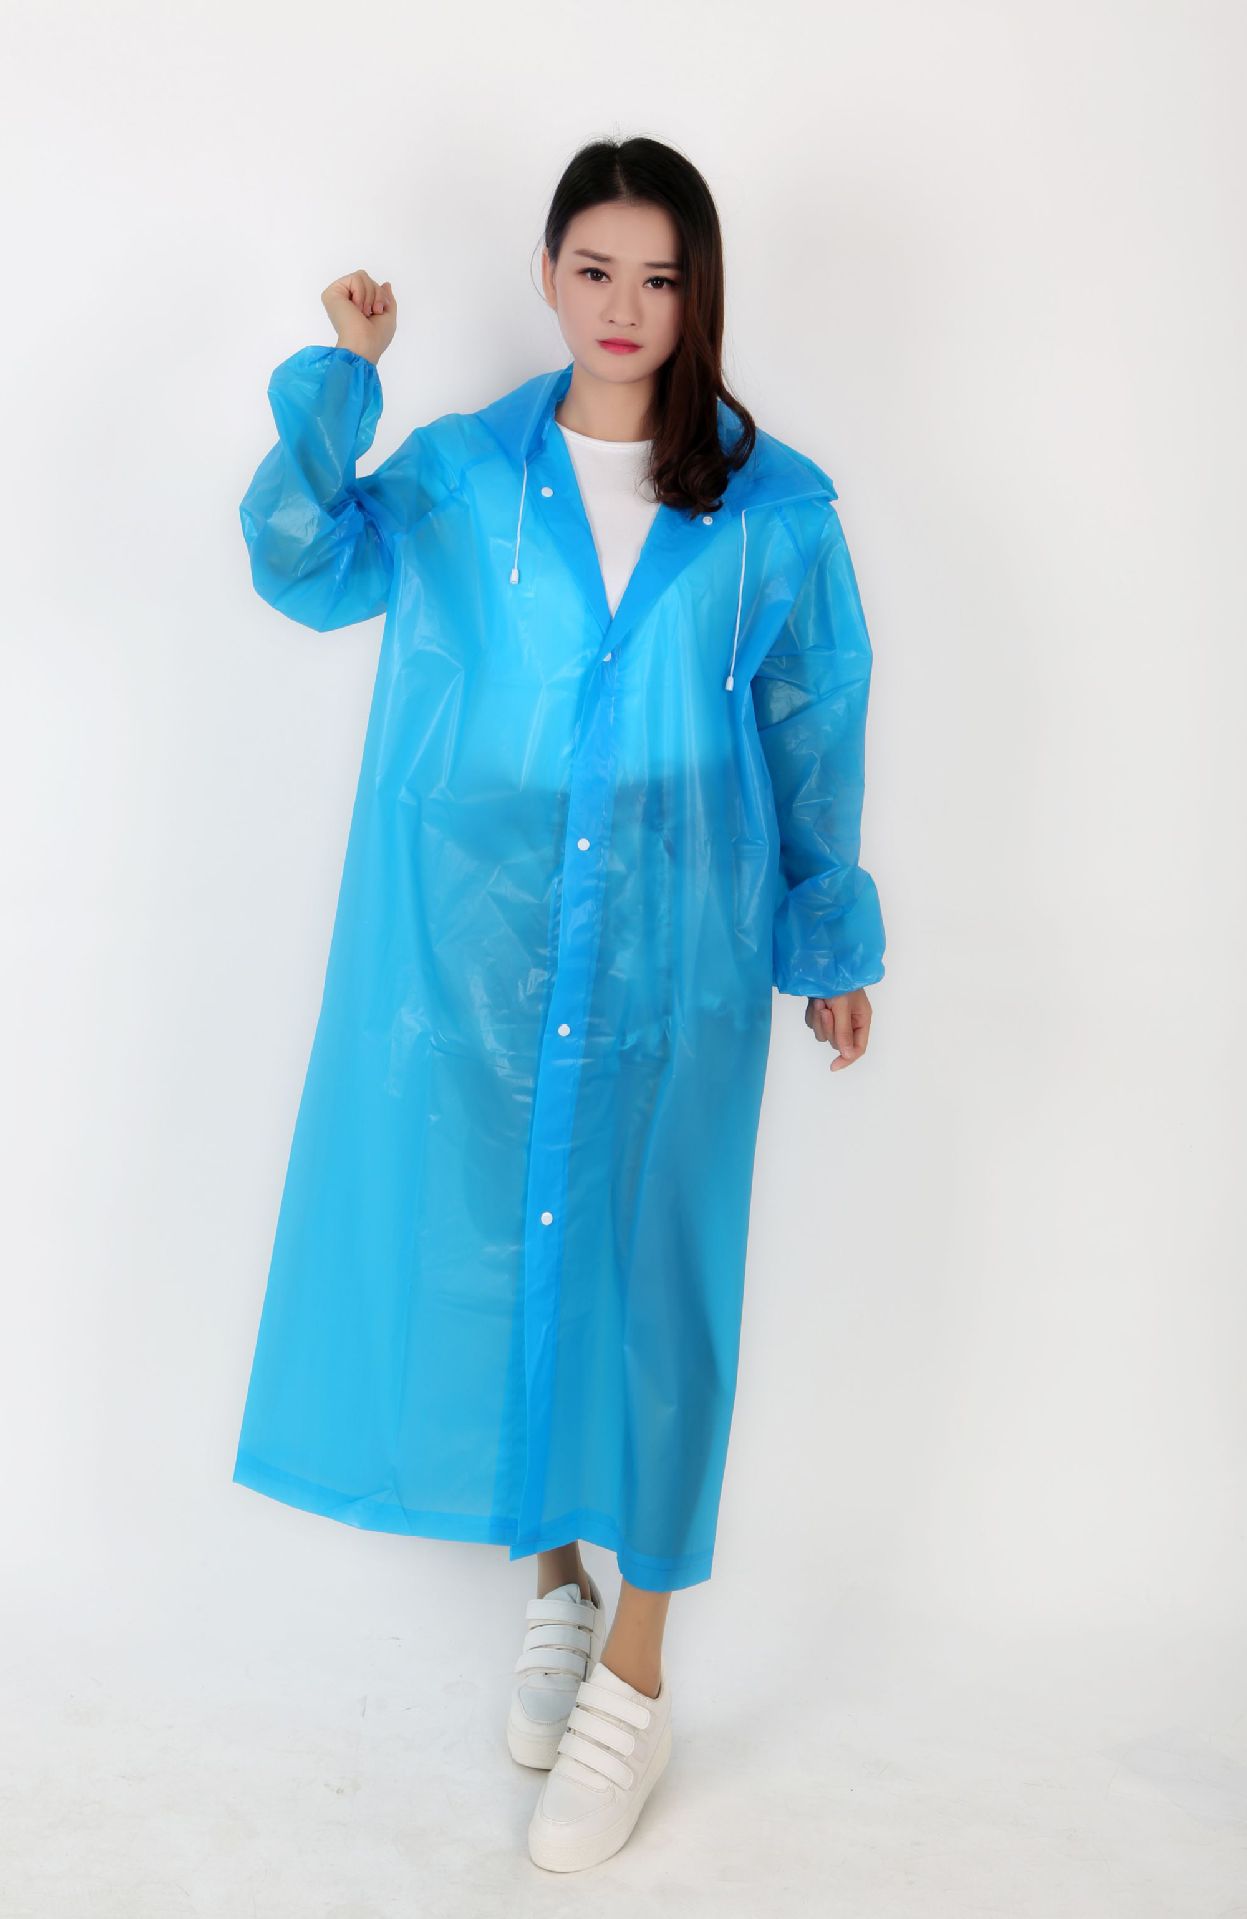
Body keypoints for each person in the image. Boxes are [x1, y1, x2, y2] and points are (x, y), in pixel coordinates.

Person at [232, 135, 886, 1872]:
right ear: (547, 274)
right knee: (509, 1256)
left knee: (660, 1289)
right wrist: (344, 382)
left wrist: (827, 929)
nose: (625, 307)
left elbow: (813, 716)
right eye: (596, 270)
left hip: (677, 953)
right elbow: (304, 565)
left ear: (698, 294)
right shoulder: (461, 474)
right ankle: (556, 1585)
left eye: (660, 278)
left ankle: (638, 1679)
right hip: (480, 947)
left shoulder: (770, 505)